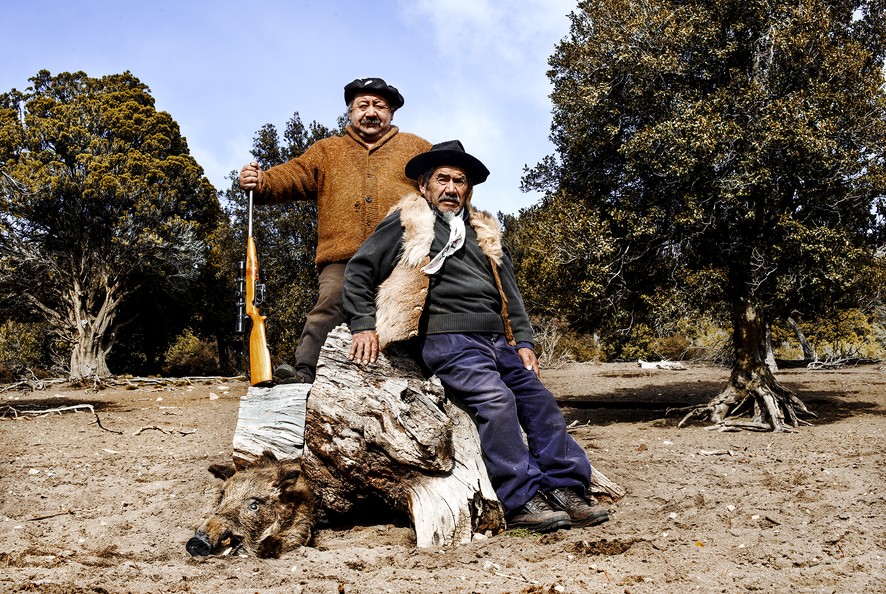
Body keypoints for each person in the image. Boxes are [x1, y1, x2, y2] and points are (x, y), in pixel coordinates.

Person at [342, 140, 609, 533]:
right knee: (497, 402)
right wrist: (363, 323)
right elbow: (359, 271)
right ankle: (521, 498)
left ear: (469, 190)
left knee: (540, 402)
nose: (451, 188)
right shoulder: (407, 220)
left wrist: (524, 343)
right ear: (423, 185)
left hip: (497, 342)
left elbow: (510, 295)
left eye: (460, 181)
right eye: (442, 179)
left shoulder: (484, 231)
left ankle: (567, 489)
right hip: (448, 339)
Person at [239, 77, 432, 384]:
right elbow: (294, 175)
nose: (371, 112)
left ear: (392, 113)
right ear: (350, 112)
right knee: (331, 300)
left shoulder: (417, 148)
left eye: (379, 106)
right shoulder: (327, 150)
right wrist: (262, 181)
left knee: (421, 307)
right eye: (363, 105)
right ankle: (304, 371)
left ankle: (431, 375)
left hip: (402, 256)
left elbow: (443, 182)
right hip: (343, 257)